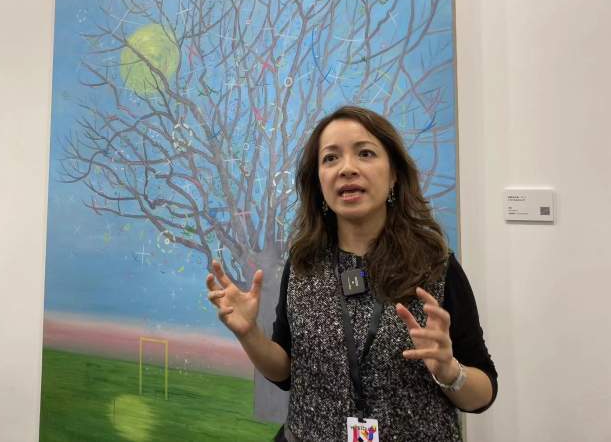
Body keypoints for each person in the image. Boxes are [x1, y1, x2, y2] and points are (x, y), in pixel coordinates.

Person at [206, 106, 497, 441]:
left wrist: (449, 371)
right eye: (331, 158)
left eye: (365, 153)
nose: (347, 168)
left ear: (394, 175)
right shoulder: (303, 263)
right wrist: (249, 334)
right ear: (319, 182)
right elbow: (285, 372)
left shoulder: (434, 266)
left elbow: (483, 394)